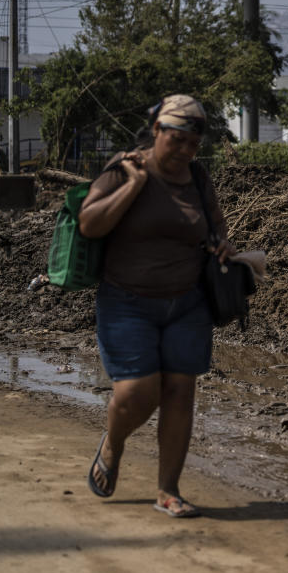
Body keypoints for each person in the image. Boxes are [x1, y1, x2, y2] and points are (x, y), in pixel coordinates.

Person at [78, 94, 234, 518]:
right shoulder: (125, 167)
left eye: (193, 143)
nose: (184, 149)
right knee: (136, 393)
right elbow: (89, 224)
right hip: (127, 301)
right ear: (157, 131)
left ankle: (168, 491)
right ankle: (113, 443)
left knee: (181, 392)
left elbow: (215, 223)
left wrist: (222, 245)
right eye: (177, 139)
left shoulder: (198, 177)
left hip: (188, 303)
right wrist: (133, 186)